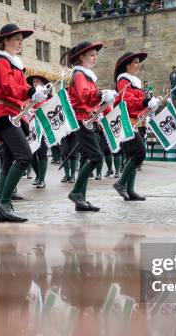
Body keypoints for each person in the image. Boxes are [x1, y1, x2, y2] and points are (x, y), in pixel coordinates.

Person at [0, 23, 47, 222]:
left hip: (15, 113)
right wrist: (30, 91)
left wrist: (36, 94)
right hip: (4, 112)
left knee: (8, 161)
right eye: (16, 39)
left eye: (21, 40)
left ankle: (3, 209)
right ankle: (3, 203)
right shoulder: (1, 61)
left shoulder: (14, 63)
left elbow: (20, 88)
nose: (20, 43)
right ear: (5, 41)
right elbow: (7, 86)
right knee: (24, 156)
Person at [65, 41, 118, 212]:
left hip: (90, 119)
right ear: (82, 57)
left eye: (96, 55)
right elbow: (84, 96)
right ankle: (76, 193)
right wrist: (101, 93)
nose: (95, 58)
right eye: (92, 55)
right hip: (82, 120)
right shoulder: (79, 74)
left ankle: (81, 199)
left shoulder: (86, 75)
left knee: (86, 158)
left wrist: (104, 97)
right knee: (96, 157)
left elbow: (92, 98)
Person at [111, 51, 160, 202]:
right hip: (126, 122)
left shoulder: (134, 82)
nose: (139, 65)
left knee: (133, 155)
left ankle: (130, 191)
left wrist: (150, 104)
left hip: (136, 122)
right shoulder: (123, 81)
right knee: (139, 153)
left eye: (139, 62)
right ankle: (120, 183)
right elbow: (128, 101)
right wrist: (146, 102)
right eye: (136, 62)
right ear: (127, 65)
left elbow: (138, 103)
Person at [26, 74, 51, 189]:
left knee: (42, 153)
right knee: (30, 153)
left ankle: (42, 179)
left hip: (43, 129)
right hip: (30, 129)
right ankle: (38, 175)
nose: (35, 84)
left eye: (38, 82)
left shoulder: (48, 99)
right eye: (34, 82)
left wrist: (38, 112)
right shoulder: (29, 99)